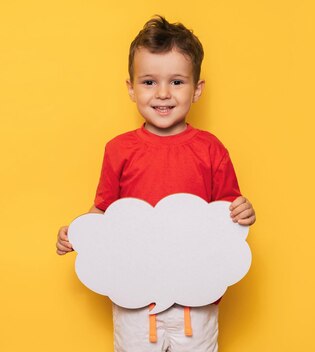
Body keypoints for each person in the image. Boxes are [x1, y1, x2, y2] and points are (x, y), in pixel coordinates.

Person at [55, 15, 256, 352]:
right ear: (131, 89)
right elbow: (103, 211)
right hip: (135, 296)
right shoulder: (118, 150)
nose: (163, 93)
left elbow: (228, 213)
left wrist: (244, 211)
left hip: (197, 296)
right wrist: (78, 233)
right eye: (149, 82)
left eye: (177, 82)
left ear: (197, 90)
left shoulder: (211, 149)